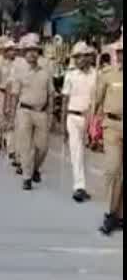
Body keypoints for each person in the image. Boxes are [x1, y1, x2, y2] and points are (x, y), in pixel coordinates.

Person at [91, 36, 123, 235]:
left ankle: (120, 215)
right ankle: (110, 214)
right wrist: (92, 127)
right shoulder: (108, 75)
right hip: (112, 125)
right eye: (120, 52)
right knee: (113, 171)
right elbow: (96, 102)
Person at [12, 34, 52, 190]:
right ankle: (27, 177)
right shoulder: (20, 71)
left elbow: (51, 94)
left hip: (41, 112)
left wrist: (50, 114)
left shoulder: (45, 71)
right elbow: (15, 94)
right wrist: (12, 113)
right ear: (24, 53)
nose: (32, 53)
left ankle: (34, 168)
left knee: (43, 147)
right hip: (24, 111)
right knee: (26, 146)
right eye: (29, 50)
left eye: (34, 50)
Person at [62, 41, 98, 202]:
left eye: (82, 56)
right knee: (76, 152)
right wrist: (63, 123)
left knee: (86, 154)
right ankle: (79, 187)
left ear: (89, 57)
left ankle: (82, 184)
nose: (79, 60)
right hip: (72, 117)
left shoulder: (96, 75)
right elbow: (65, 99)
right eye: (77, 57)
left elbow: (97, 98)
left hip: (89, 118)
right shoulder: (70, 74)